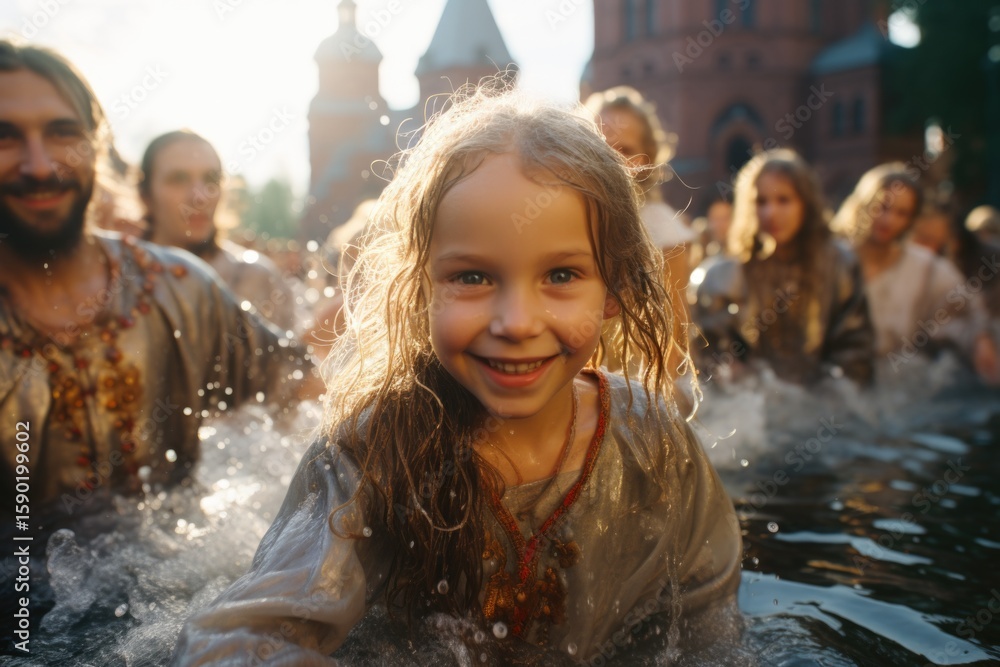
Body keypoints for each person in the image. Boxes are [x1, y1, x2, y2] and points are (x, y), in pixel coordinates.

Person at [173, 88, 742, 665]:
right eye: (472, 278)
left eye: (562, 274)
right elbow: (244, 640)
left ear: (614, 288)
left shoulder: (655, 443)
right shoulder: (369, 453)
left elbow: (705, 627)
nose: (517, 323)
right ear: (419, 289)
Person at [0, 40, 314, 525]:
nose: (39, 165)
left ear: (97, 145)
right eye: (5, 136)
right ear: (143, 189)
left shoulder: (184, 288)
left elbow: (304, 391)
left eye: (63, 132)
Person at [693, 149, 875, 386]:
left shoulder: (840, 264)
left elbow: (855, 351)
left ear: (805, 203)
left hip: (827, 406)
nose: (771, 213)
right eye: (761, 201)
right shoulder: (721, 276)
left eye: (784, 200)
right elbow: (713, 359)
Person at [831, 164, 999, 383]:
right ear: (864, 203)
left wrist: (979, 340)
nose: (888, 219)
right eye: (882, 206)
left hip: (894, 385)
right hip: (833, 382)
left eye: (902, 212)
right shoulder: (832, 258)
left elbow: (966, 310)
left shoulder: (926, 267)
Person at [140, 129, 297, 331]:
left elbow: (287, 360)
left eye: (211, 179)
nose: (200, 197)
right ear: (145, 193)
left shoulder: (255, 278)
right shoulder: (119, 278)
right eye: (179, 179)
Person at [584, 86, 692, 377]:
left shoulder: (664, 231)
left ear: (646, 160)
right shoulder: (566, 222)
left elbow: (675, 337)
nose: (612, 161)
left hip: (634, 391)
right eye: (602, 147)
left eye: (626, 150)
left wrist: (651, 410)